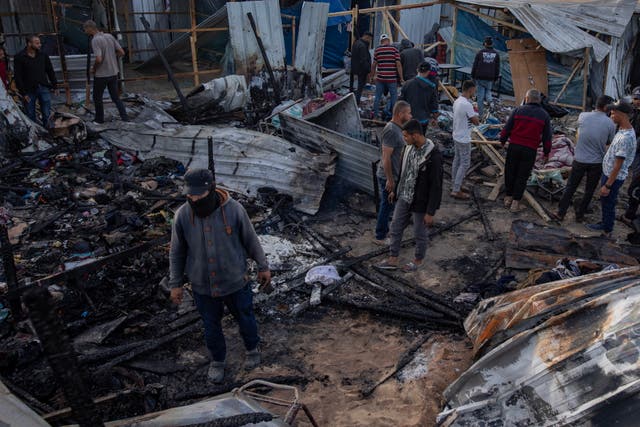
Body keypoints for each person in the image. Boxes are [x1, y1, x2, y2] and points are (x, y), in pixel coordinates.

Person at [169, 169, 271, 383]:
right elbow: (177, 252)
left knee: (245, 316)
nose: (194, 199)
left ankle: (252, 349)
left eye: (199, 195)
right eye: (190, 195)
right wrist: (176, 283)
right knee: (211, 325)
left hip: (235, 280)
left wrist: (263, 266)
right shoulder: (183, 216)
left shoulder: (234, 210)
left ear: (211, 189)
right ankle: (218, 361)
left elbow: (250, 239)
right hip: (202, 285)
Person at [377, 119, 443, 271]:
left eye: (406, 136)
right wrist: (395, 190)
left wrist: (430, 212)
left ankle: (418, 260)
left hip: (421, 201)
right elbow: (404, 171)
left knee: (419, 233)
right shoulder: (408, 149)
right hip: (404, 196)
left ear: (415, 135)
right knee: (395, 227)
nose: (404, 139)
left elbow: (436, 187)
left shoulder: (433, 156)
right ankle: (393, 258)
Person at [556, 95, 615, 222]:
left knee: (571, 187)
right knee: (589, 190)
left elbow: (579, 132)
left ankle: (561, 213)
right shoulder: (610, 123)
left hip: (579, 159)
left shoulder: (583, 116)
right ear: (606, 107)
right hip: (597, 162)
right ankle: (580, 215)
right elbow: (609, 142)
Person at [586, 101, 637, 237]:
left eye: (613, 113)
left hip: (612, 178)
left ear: (622, 114)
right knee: (605, 201)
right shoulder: (622, 130)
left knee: (608, 202)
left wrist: (607, 185)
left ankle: (607, 230)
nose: (611, 116)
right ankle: (605, 222)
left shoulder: (626, 138)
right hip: (609, 174)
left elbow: (618, 165)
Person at [499, 89, 551, 213]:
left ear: (527, 99)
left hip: (514, 147)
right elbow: (547, 137)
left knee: (510, 171)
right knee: (522, 175)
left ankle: (508, 197)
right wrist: (546, 152)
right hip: (530, 150)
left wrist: (502, 140)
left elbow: (507, 128)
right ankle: (516, 202)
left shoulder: (518, 110)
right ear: (539, 100)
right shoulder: (544, 115)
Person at [373, 101, 412, 245]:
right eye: (408, 113)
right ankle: (380, 236)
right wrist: (390, 180)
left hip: (395, 176)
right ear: (400, 114)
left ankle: (387, 231)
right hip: (387, 177)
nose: (410, 115)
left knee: (392, 205)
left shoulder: (398, 128)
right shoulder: (391, 130)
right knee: (387, 206)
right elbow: (386, 158)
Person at [82, 20, 129, 124]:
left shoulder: (95, 40)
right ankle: (125, 118)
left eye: (85, 29)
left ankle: (99, 120)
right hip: (113, 73)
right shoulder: (109, 36)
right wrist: (111, 57)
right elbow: (121, 52)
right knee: (116, 97)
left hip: (102, 75)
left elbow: (98, 59)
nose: (85, 31)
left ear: (90, 28)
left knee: (97, 98)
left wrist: (94, 68)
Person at [13, 34, 57, 126]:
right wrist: (23, 93)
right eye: (37, 43)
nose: (40, 45)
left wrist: (55, 85)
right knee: (30, 114)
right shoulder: (19, 57)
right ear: (29, 44)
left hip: (43, 87)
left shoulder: (43, 55)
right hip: (28, 90)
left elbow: (50, 70)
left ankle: (48, 133)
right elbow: (18, 76)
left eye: (39, 43)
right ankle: (34, 135)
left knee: (47, 113)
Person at [451, 80, 480, 200]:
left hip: (456, 134)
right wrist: (476, 110)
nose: (475, 91)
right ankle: (456, 190)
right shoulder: (467, 105)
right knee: (465, 163)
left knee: (457, 160)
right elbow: (476, 122)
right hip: (463, 138)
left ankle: (455, 183)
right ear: (470, 90)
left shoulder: (457, 101)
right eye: (475, 89)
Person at [399, 60, 438, 130]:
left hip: (409, 119)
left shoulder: (407, 84)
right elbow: (434, 105)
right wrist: (434, 118)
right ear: (428, 72)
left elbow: (400, 102)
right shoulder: (431, 86)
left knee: (408, 138)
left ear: (417, 70)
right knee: (420, 138)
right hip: (423, 120)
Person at [372, 33, 403, 120]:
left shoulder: (377, 50)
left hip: (380, 78)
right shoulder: (394, 49)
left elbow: (374, 64)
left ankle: (375, 117)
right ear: (388, 41)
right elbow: (398, 64)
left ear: (381, 41)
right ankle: (394, 117)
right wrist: (401, 78)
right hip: (391, 78)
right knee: (394, 97)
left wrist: (372, 76)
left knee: (377, 97)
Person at [621, 87, 640, 226]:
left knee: (635, 185)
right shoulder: (634, 112)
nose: (637, 101)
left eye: (638, 98)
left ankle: (629, 216)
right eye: (635, 98)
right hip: (635, 150)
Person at [471, 36, 500, 117]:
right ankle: (490, 102)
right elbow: (497, 67)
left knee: (480, 98)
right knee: (488, 92)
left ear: (485, 44)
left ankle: (481, 116)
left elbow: (475, 65)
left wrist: (473, 76)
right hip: (490, 77)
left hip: (480, 77)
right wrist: (496, 78)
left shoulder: (480, 53)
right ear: (492, 44)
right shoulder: (496, 54)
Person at [350, 31, 373, 105]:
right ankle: (356, 102)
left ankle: (353, 101)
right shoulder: (362, 46)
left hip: (354, 69)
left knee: (354, 87)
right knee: (359, 88)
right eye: (370, 39)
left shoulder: (356, 43)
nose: (370, 41)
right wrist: (368, 70)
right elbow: (364, 59)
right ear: (367, 37)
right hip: (361, 70)